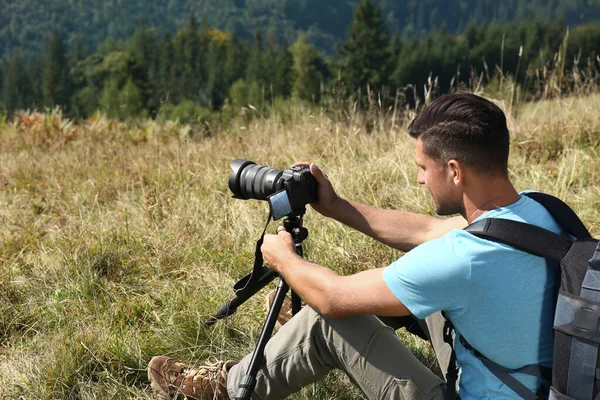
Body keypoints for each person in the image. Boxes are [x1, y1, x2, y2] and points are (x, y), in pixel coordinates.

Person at [147, 93, 559, 399]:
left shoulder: (461, 259)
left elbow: (333, 297)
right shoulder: (541, 211)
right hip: (545, 383)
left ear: (454, 171)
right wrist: (338, 207)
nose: (419, 179)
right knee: (406, 283)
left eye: (422, 168)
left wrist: (283, 260)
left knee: (329, 320)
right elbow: (424, 232)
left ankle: (216, 388)